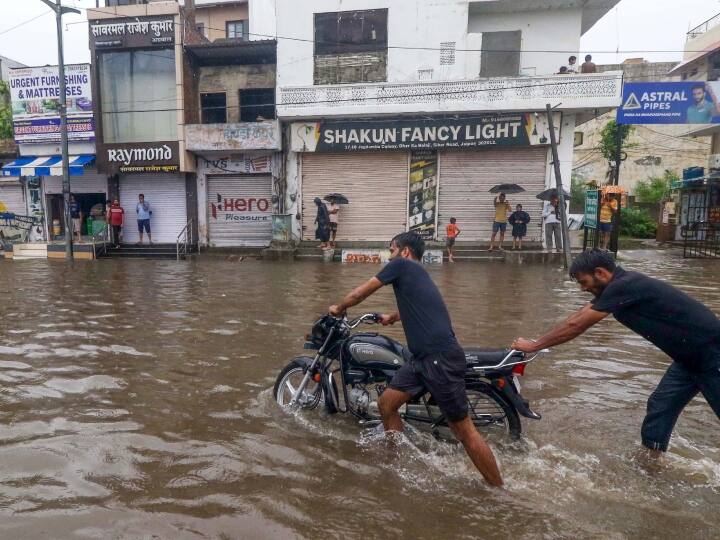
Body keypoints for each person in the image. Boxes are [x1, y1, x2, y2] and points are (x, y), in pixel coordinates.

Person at [328, 232, 503, 486]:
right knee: (386, 404)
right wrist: (393, 317)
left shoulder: (401, 265)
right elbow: (420, 304)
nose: (390, 256)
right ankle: (396, 462)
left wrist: (339, 307)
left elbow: (360, 294)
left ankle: (498, 489)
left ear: (405, 251)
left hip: (439, 359)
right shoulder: (419, 273)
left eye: (392, 250)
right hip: (420, 360)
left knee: (463, 430)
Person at [511, 249, 720, 456]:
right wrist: (537, 341)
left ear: (600, 273)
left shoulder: (624, 285)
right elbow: (579, 315)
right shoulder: (618, 288)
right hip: (688, 359)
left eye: (584, 282)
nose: (583, 289)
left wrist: (534, 345)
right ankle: (652, 462)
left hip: (712, 355)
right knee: (660, 406)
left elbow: (576, 326)